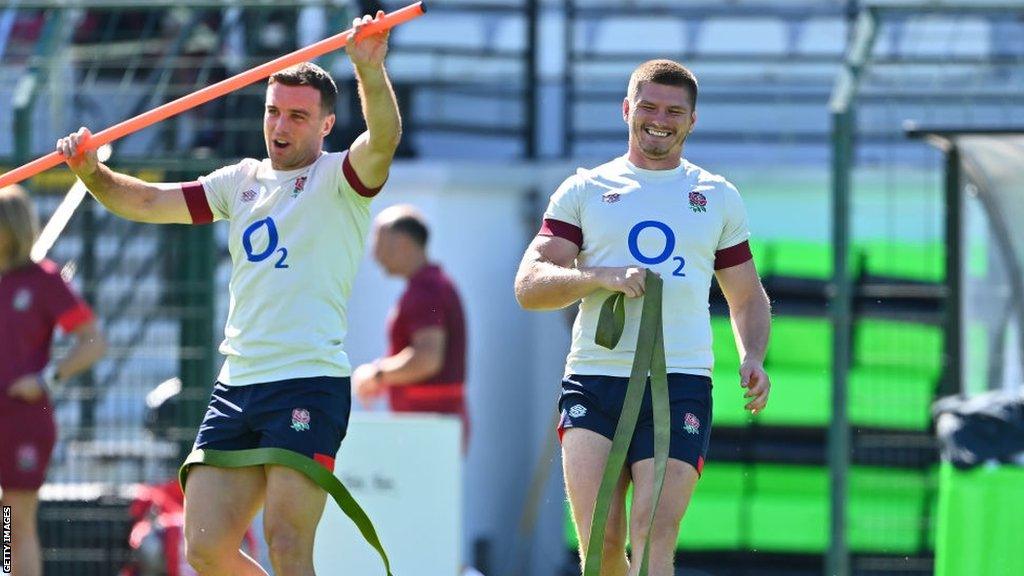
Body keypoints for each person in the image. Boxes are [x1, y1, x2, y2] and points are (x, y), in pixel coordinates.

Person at [55, 11, 401, 576]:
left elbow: (384, 137)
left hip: (308, 383)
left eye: (297, 115)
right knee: (205, 549)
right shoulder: (237, 182)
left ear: (326, 125)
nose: (280, 126)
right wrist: (92, 173)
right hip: (237, 384)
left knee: (287, 545)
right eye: (273, 112)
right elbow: (145, 202)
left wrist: (369, 68)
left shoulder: (342, 180)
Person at [513, 59, 772, 576]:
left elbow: (746, 295)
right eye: (649, 106)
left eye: (675, 110)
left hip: (680, 383)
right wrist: (596, 277)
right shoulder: (585, 189)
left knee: (653, 532)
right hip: (594, 380)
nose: (661, 119)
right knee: (602, 545)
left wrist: (754, 356)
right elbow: (530, 286)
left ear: (692, 120)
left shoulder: (717, 196)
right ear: (627, 109)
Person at [0, 184, 107, 576]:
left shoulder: (42, 281)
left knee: (13, 520)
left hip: (22, 418)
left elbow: (93, 339)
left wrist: (48, 379)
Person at [352, 205, 469, 444]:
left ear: (403, 243)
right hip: (433, 423)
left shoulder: (426, 290)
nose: (374, 255)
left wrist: (376, 374)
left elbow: (426, 359)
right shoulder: (432, 285)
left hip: (428, 426)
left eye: (378, 242)